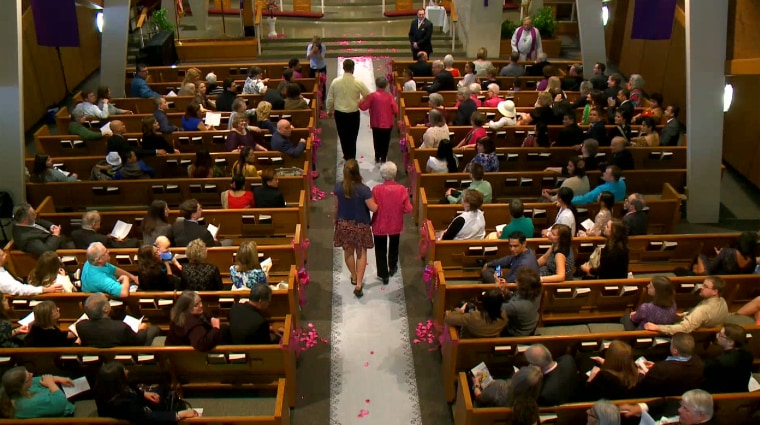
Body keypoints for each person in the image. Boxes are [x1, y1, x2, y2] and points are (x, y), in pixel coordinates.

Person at [95, 361, 198, 423]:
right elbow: (148, 417)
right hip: (141, 418)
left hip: (137, 407)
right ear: (119, 380)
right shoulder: (123, 404)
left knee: (161, 388)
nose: (127, 371)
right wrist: (179, 415)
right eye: (124, 371)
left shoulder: (105, 386)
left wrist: (144, 394)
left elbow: (130, 391)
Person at [334, 159, 378, 297]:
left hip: (344, 224)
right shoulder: (364, 190)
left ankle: (353, 275)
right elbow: (373, 208)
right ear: (357, 171)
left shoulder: (338, 187)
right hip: (360, 225)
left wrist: (335, 221)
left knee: (348, 252)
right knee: (361, 253)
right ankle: (358, 284)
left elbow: (336, 207)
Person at [372, 162, 413, 284]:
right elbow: (408, 209)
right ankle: (393, 266)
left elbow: (373, 207)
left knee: (380, 249)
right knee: (394, 246)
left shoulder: (376, 189)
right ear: (395, 174)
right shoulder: (401, 189)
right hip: (395, 223)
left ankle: (383, 274)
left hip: (380, 223)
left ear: (382, 175)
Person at [644, 276, 729, 335]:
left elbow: (684, 328)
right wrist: (684, 315)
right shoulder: (722, 302)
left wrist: (658, 328)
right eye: (703, 284)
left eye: (705, 286)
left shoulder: (702, 310)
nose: (702, 287)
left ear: (715, 292)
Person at [77, 292, 160, 347]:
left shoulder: (80, 326)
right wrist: (141, 329)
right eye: (108, 301)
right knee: (154, 329)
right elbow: (137, 340)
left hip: (97, 359)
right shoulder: (120, 327)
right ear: (106, 309)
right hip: (124, 355)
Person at [636, 332, 704, 397]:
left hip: (660, 397)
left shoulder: (662, 369)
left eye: (671, 343)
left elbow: (645, 385)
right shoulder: (698, 362)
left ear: (675, 351)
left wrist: (641, 373)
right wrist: (655, 366)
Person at [326, 59, 370, 161]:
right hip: (353, 114)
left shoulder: (335, 82)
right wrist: (359, 101)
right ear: (353, 69)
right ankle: (351, 158)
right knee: (352, 137)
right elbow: (368, 95)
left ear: (343, 68)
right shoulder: (357, 82)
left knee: (343, 136)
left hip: (340, 114)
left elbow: (330, 98)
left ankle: (347, 156)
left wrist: (329, 111)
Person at [0, 367, 75, 419]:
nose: (32, 374)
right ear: (22, 385)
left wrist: (57, 378)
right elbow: (61, 403)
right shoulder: (30, 403)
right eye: (29, 376)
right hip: (66, 413)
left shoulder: (11, 388)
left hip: (56, 396)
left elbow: (37, 380)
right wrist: (50, 383)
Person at [702, 323, 753, 394]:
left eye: (720, 335)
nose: (717, 336)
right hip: (742, 392)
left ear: (730, 342)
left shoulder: (718, 362)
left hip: (720, 395)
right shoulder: (748, 355)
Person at [619, 389, 715, 425]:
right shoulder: (688, 405)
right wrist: (639, 408)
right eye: (682, 405)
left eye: (686, 409)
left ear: (701, 416)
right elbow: (666, 401)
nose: (679, 410)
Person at [359, 76, 398, 164]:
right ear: (386, 86)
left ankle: (377, 156)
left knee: (377, 140)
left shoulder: (372, 96)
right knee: (386, 141)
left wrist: (360, 101)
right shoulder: (390, 96)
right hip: (388, 123)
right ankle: (383, 157)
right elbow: (396, 110)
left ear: (376, 85)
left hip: (376, 122)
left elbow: (364, 107)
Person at [498, 267, 542, 336]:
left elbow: (496, 309)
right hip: (531, 326)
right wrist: (505, 291)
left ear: (522, 286)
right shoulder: (537, 293)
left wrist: (496, 291)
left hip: (517, 333)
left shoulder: (515, 306)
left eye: (518, 281)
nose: (516, 281)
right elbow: (515, 297)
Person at [691, 231, 757, 276]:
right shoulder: (753, 261)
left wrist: (720, 255)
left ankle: (693, 273)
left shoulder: (727, 252)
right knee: (698, 266)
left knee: (701, 256)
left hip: (719, 280)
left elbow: (711, 269)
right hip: (732, 281)